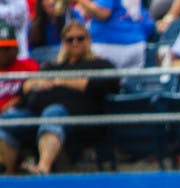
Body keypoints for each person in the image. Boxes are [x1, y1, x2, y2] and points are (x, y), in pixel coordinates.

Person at [0, 21, 118, 175]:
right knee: (7, 120)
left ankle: (42, 169)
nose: (75, 42)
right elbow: (25, 88)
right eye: (70, 39)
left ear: (88, 40)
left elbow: (109, 84)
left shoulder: (100, 64)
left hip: (80, 120)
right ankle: (6, 175)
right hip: (38, 113)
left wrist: (62, 81)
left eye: (80, 38)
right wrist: (36, 84)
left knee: (54, 112)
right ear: (63, 42)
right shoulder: (52, 66)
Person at [76, 0, 155, 69]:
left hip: (111, 45)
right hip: (136, 43)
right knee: (131, 81)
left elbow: (103, 13)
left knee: (104, 80)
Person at [1, 20, 38, 113]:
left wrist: (18, 100)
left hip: (21, 113)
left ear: (16, 48)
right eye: (0, 48)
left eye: (7, 48)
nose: (3, 52)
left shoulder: (29, 65)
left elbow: (40, 90)